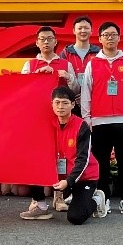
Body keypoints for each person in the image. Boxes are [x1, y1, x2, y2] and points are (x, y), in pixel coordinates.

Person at [80, 21, 123, 216]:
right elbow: (86, 92)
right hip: (99, 121)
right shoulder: (93, 64)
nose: (110, 38)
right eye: (106, 35)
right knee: (102, 163)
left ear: (119, 38)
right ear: (99, 39)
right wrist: (86, 117)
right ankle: (104, 198)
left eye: (113, 34)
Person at [22, 86, 102, 224]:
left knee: (75, 218)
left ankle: (97, 199)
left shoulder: (81, 126)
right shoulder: (47, 124)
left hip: (83, 177)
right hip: (59, 175)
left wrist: (69, 181)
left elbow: (83, 159)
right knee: (31, 163)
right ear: (52, 104)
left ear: (72, 104)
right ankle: (41, 206)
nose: (60, 107)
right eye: (57, 102)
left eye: (65, 103)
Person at [20, 26, 74, 217]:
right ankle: (38, 199)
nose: (46, 42)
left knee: (61, 156)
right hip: (37, 119)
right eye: (42, 39)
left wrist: (67, 77)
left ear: (55, 41)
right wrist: (37, 76)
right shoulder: (29, 65)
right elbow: (21, 91)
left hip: (61, 118)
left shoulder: (65, 64)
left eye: (49, 38)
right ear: (36, 43)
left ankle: (59, 196)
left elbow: (76, 89)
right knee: (36, 156)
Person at [61, 16, 101, 116]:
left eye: (86, 28)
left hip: (94, 101)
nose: (83, 31)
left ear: (91, 31)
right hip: (71, 104)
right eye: (80, 28)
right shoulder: (65, 53)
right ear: (74, 31)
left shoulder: (99, 53)